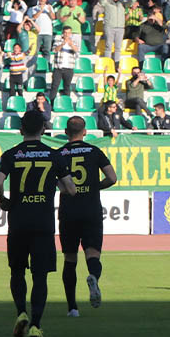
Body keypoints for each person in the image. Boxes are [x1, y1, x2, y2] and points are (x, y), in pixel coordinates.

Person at [0, 110, 77, 337]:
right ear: (43, 130)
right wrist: (56, 181)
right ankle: (36, 325)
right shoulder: (55, 156)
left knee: (17, 271)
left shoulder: (10, 154)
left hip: (18, 221)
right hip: (43, 223)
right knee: (40, 276)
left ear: (21, 130)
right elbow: (71, 189)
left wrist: (4, 201)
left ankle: (21, 313)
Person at [58, 116, 118, 316]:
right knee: (93, 253)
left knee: (70, 258)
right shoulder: (94, 152)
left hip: (68, 211)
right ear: (85, 132)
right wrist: (94, 187)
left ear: (66, 132)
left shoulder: (59, 154)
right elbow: (112, 178)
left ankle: (72, 308)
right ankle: (93, 276)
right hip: (91, 209)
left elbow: (53, 182)